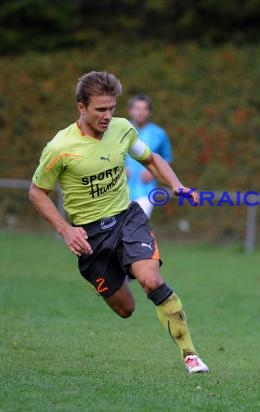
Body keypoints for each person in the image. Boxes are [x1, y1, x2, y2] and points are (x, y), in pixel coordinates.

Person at [29, 71, 209, 374]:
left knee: (152, 281)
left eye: (112, 108)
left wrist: (177, 186)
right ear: (81, 107)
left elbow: (151, 159)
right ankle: (123, 266)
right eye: (100, 109)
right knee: (126, 309)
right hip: (91, 238)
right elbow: (36, 192)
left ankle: (190, 354)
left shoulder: (122, 129)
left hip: (127, 219)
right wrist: (65, 229)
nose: (108, 116)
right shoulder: (60, 147)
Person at [125, 94, 173, 217]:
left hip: (146, 191)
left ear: (149, 112)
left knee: (137, 226)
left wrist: (154, 171)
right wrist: (119, 169)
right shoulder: (120, 131)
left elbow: (167, 158)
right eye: (137, 108)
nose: (140, 112)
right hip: (119, 190)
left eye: (144, 109)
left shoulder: (159, 134)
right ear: (130, 110)